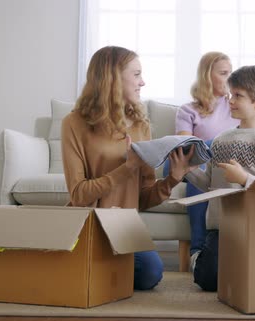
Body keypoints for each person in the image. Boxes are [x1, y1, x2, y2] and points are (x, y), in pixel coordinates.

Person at [61, 46, 195, 290]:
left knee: (150, 273)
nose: (142, 82)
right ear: (112, 77)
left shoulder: (140, 125)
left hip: (123, 226)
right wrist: (126, 168)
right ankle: (87, 263)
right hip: (89, 223)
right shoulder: (74, 122)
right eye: (136, 74)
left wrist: (172, 181)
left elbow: (141, 198)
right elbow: (78, 194)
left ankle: (93, 268)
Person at [185, 66, 255, 291]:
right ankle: (199, 259)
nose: (230, 100)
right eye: (230, 94)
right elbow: (208, 184)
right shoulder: (221, 140)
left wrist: (244, 179)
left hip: (254, 226)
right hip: (220, 226)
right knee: (208, 281)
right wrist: (187, 170)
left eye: (238, 96)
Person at [173, 52, 240, 263]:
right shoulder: (188, 110)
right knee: (201, 169)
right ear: (206, 75)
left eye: (231, 73)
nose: (229, 78)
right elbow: (185, 147)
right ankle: (197, 252)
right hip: (188, 164)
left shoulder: (236, 108)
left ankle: (211, 252)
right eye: (223, 73)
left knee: (213, 169)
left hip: (221, 167)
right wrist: (217, 146)